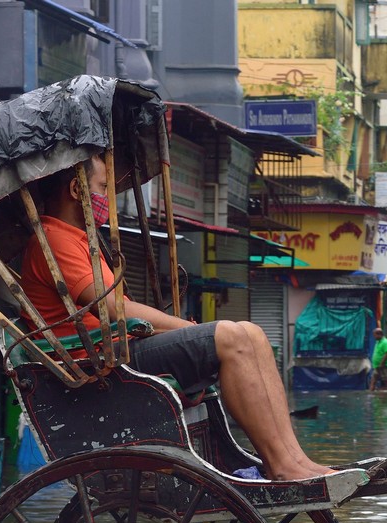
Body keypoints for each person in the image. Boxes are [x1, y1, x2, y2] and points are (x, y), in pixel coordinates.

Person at [19, 154, 334, 481]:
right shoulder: (54, 239)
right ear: (76, 189)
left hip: (118, 351)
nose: (107, 198)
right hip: (101, 365)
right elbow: (113, 309)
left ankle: (293, 459)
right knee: (232, 337)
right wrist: (187, 328)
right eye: (102, 188)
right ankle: (281, 466)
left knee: (252, 334)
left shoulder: (79, 239)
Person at [370, 327, 387, 391]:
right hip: (376, 366)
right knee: (373, 380)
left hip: (384, 366)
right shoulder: (378, 342)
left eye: (375, 335)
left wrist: (382, 363)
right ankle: (370, 394)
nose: (374, 337)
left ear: (379, 334)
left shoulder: (385, 342)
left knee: (386, 380)